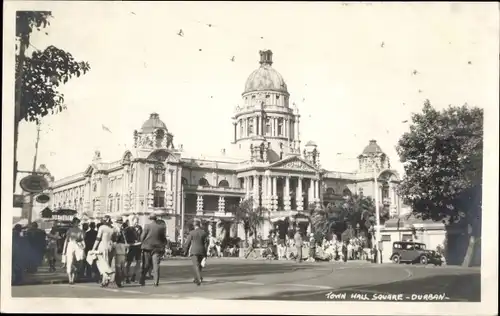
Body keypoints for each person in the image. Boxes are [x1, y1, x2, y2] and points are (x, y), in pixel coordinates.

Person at [139, 215, 167, 287]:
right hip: (157, 248)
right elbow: (163, 238)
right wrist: (163, 245)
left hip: (147, 248)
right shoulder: (161, 227)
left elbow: (142, 237)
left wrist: (142, 242)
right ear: (156, 219)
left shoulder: (147, 226)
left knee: (146, 264)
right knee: (156, 265)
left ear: (150, 219)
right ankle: (156, 282)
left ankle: (142, 279)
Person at [92, 215, 116, 287]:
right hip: (110, 246)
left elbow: (98, 239)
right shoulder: (112, 228)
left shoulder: (102, 228)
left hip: (102, 246)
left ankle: (104, 280)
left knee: (102, 263)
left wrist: (93, 248)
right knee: (108, 263)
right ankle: (107, 279)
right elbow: (114, 239)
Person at [183, 219, 208, 286]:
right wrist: (205, 253)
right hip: (202, 251)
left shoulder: (192, 233)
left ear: (194, 226)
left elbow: (187, 243)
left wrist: (185, 251)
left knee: (196, 265)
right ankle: (196, 278)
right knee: (199, 266)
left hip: (194, 251)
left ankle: (199, 278)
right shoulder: (203, 233)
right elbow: (206, 244)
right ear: (199, 225)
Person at [62, 217, 85, 284]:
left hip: (77, 246)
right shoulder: (70, 230)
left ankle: (73, 278)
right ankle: (70, 279)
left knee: (77, 262)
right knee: (70, 260)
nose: (76, 224)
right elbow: (66, 240)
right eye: (75, 222)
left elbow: (82, 240)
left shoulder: (80, 231)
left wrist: (83, 247)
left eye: (77, 222)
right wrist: (64, 249)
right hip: (71, 245)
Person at [124, 216, 142, 283]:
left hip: (138, 248)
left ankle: (134, 276)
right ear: (132, 221)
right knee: (129, 262)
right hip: (131, 247)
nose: (136, 223)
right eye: (135, 222)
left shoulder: (140, 228)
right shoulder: (128, 229)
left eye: (137, 222)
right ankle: (127, 277)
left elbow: (141, 236)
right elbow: (126, 239)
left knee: (138, 262)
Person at [113, 218, 129, 287]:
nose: (120, 224)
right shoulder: (115, 230)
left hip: (122, 249)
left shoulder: (122, 230)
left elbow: (124, 239)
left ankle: (121, 280)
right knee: (119, 266)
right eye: (119, 223)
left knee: (122, 266)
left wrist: (126, 247)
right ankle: (118, 281)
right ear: (116, 223)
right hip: (118, 249)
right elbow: (115, 240)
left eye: (121, 223)